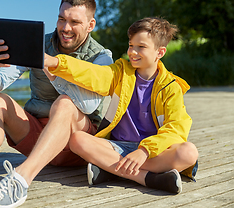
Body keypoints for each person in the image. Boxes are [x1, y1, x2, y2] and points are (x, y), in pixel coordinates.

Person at [0, 0, 113, 207]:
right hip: (36, 137)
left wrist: (52, 68)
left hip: (76, 146)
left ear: (90, 24)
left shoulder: (101, 57)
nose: (65, 28)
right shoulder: (37, 44)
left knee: (65, 103)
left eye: (75, 22)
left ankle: (19, 181)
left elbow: (89, 105)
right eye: (61, 19)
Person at [44, 17, 199, 194]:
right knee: (77, 140)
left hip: (153, 151)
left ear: (160, 52)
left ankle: (111, 169)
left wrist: (144, 151)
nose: (132, 52)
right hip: (117, 146)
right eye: (131, 45)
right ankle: (146, 178)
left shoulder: (170, 87)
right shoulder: (121, 71)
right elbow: (93, 74)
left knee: (188, 153)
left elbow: (176, 129)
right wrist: (55, 62)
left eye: (141, 47)